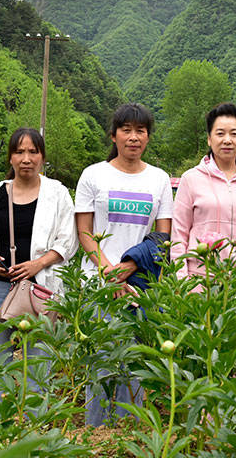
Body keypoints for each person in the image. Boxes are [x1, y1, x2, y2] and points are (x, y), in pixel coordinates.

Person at [74, 103, 173, 426]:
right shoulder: (93, 175)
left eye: (140, 131)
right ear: (113, 135)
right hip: (98, 284)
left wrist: (129, 268)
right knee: (101, 364)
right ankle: (96, 433)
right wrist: (108, 272)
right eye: (126, 130)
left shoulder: (158, 179)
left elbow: (163, 237)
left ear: (148, 137)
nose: (133, 137)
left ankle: (127, 435)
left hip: (140, 286)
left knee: (135, 365)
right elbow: (84, 231)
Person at [0, 127, 78, 357]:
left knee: (38, 360)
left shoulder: (57, 194)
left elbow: (67, 240)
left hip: (41, 289)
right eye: (19, 152)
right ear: (10, 157)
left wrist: (38, 264)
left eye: (33, 152)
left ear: (42, 157)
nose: (26, 159)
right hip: (0, 286)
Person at [171, 103, 236, 317]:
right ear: (209, 139)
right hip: (200, 280)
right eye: (220, 133)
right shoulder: (191, 179)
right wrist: (182, 281)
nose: (227, 140)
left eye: (234, 134)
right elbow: (179, 235)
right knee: (203, 336)